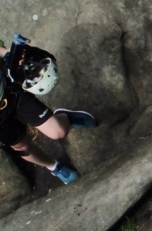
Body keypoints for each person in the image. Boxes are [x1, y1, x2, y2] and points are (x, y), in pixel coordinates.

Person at [1, 40, 97, 184]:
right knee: (22, 147)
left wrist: (9, 54)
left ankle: (66, 117)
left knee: (58, 132)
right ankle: (54, 167)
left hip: (9, 93)